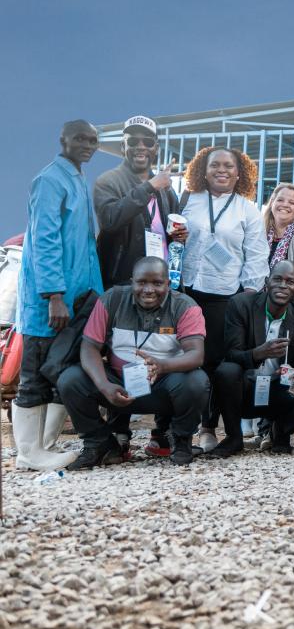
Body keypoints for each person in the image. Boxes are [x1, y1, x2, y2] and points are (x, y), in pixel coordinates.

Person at [12, 120, 104, 470]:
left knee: (58, 371)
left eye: (93, 140)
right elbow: (45, 241)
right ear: (62, 139)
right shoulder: (50, 179)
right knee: (34, 375)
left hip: (77, 301)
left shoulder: (77, 178)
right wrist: (54, 295)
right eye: (80, 138)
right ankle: (28, 452)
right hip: (50, 303)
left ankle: (45, 446)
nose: (87, 145)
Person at [59, 257, 207, 468]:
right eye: (141, 282)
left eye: (157, 283)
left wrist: (163, 366)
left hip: (163, 386)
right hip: (118, 384)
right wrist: (104, 385)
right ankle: (99, 444)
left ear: (168, 283)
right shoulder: (112, 300)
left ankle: (181, 441)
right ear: (132, 281)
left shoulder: (185, 306)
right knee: (70, 379)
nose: (148, 290)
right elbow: (89, 347)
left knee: (197, 381)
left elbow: (196, 354)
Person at [178, 146, 269, 452]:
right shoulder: (188, 201)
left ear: (239, 172)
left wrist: (247, 295)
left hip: (225, 295)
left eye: (228, 166)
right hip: (189, 291)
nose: (221, 170)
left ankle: (209, 426)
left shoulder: (248, 209)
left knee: (216, 363)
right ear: (202, 171)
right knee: (189, 360)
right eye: (214, 165)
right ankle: (186, 428)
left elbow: (257, 255)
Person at [210, 261, 294, 456]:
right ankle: (234, 437)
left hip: (280, 388)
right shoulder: (241, 304)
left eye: (290, 282)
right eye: (277, 279)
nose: (283, 285)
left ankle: (280, 432)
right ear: (267, 282)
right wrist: (259, 353)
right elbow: (231, 354)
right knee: (226, 371)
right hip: (245, 389)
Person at [93, 115, 187, 288]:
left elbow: (172, 237)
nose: (141, 147)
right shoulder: (108, 181)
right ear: (123, 147)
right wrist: (149, 187)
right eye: (133, 141)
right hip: (124, 285)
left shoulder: (166, 190)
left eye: (148, 142)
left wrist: (179, 237)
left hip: (161, 284)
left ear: (156, 148)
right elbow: (109, 220)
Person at [262, 182, 294, 296]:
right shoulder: (260, 232)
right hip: (256, 298)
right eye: (280, 200)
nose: (285, 205)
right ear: (272, 203)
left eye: (292, 202)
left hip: (285, 303)